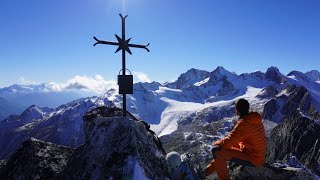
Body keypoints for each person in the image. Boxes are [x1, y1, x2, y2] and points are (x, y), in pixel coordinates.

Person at [204, 98, 266, 180]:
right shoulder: (254, 119)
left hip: (253, 159)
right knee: (225, 148)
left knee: (217, 151)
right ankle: (206, 172)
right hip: (256, 155)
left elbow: (228, 141)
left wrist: (217, 144)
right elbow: (234, 140)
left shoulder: (244, 124)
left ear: (237, 110)